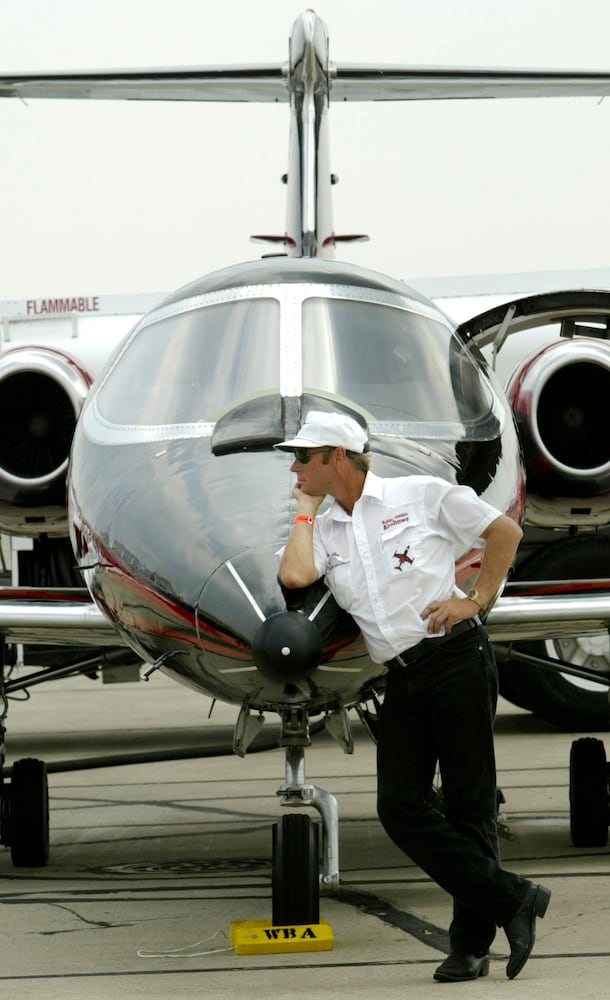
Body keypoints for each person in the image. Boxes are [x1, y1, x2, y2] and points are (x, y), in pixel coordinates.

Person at [275, 409, 551, 983]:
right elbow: (297, 577)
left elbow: (505, 532)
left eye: (304, 456)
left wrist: (475, 599)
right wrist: (305, 512)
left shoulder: (421, 494)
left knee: (468, 806)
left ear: (338, 458)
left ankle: (470, 948)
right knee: (399, 807)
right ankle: (514, 899)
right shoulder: (324, 531)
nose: (295, 465)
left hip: (456, 661)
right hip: (398, 676)